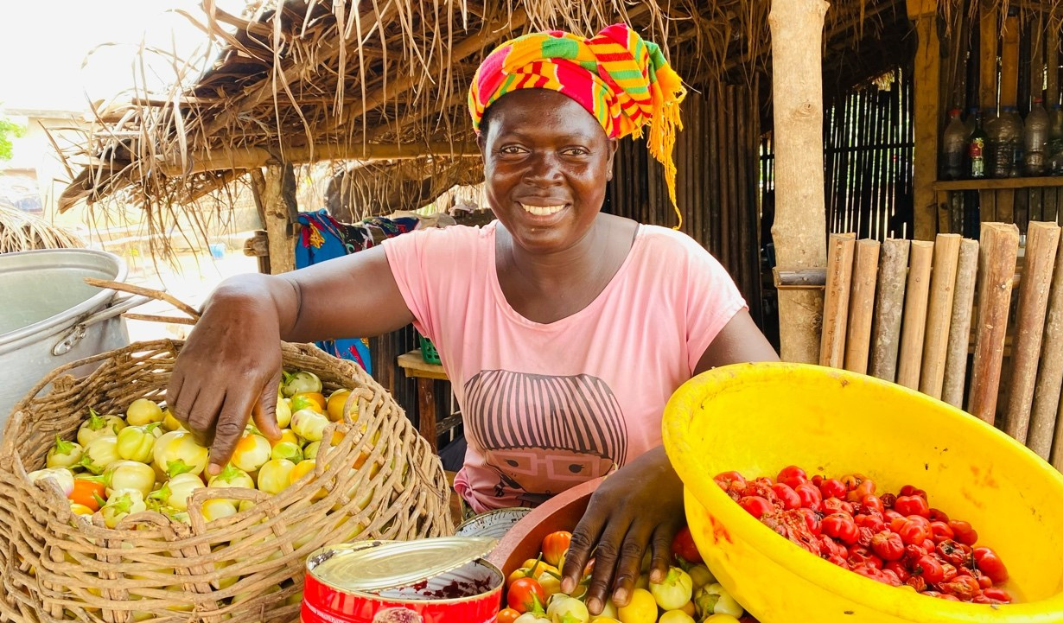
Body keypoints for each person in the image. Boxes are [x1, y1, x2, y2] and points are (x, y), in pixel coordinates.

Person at [167, 23, 778, 616]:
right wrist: (241, 296)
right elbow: (293, 299)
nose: (544, 174)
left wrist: (673, 467)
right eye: (513, 150)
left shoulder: (672, 269)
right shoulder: (445, 263)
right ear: (482, 159)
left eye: (573, 151)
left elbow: (770, 404)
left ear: (608, 160)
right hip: (488, 554)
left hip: (640, 553)